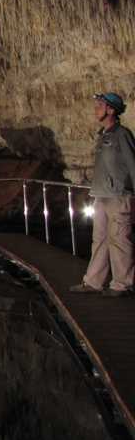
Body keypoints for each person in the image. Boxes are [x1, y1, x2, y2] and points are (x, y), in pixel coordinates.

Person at [70, 93, 135, 297]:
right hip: (101, 195)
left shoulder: (122, 134)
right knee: (99, 240)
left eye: (100, 105)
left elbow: (133, 166)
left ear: (111, 110)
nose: (96, 109)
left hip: (119, 196)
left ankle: (122, 284)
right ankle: (93, 281)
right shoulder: (103, 135)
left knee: (119, 240)